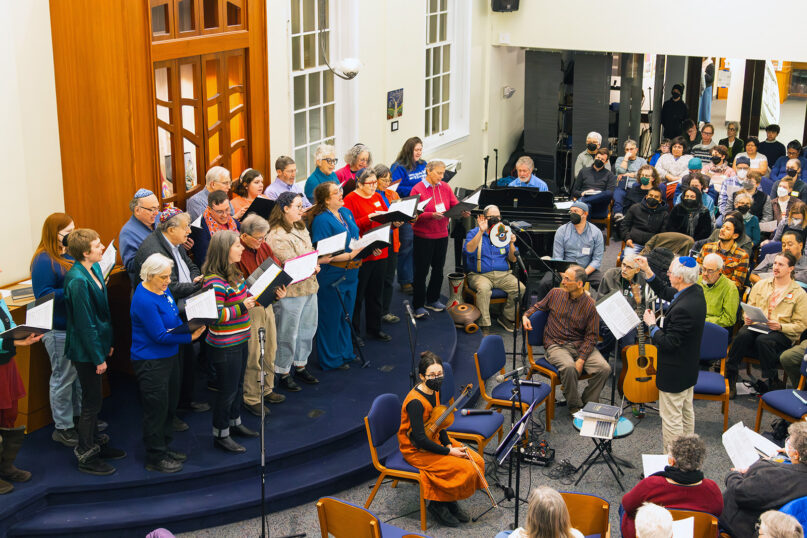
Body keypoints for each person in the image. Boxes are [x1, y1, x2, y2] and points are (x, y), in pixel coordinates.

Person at [130, 254, 206, 473]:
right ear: (149, 275)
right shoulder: (144, 299)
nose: (168, 281)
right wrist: (190, 337)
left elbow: (173, 318)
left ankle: (164, 447)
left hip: (169, 356)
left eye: (169, 276)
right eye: (163, 277)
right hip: (151, 361)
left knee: (169, 405)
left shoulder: (162, 290)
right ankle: (155, 457)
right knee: (156, 409)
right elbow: (160, 336)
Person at [133, 208, 208, 418]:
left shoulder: (175, 242)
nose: (189, 232)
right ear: (172, 229)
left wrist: (196, 279)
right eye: (186, 228)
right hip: (166, 312)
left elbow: (191, 265)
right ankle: (172, 413)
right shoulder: (153, 250)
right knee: (175, 366)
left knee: (187, 360)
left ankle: (184, 401)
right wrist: (196, 286)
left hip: (181, 306)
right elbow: (170, 286)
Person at [397, 352, 485, 528]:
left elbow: (438, 423)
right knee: (465, 468)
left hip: (434, 438)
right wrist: (449, 451)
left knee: (477, 461)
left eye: (440, 374)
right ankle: (438, 505)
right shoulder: (415, 403)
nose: (437, 378)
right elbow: (420, 440)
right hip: (416, 449)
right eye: (432, 375)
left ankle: (449, 498)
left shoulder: (435, 391)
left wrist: (447, 443)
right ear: (422, 376)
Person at [64, 229, 126, 475]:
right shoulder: (77, 280)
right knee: (90, 403)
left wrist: (107, 342)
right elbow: (85, 324)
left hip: (98, 343)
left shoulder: (96, 268)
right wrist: (97, 357)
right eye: (98, 245)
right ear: (85, 253)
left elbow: (103, 312)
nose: (103, 248)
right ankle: (86, 454)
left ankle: (95, 444)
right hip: (85, 350)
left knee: (95, 399)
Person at [635, 255, 706, 451]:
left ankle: (673, 460)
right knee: (686, 413)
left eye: (670, 272)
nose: (667, 275)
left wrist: (652, 326)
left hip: (674, 372)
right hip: (688, 368)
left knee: (672, 419)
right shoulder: (694, 291)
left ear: (680, 278)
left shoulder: (683, 309)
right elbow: (666, 291)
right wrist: (648, 271)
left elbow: (668, 343)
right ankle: (688, 455)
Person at [522, 265, 610, 415]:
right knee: (569, 367)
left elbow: (592, 336)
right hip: (556, 345)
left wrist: (581, 359)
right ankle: (575, 407)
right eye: (564, 278)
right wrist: (525, 316)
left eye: (567, 279)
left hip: (580, 344)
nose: (563, 282)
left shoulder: (590, 305)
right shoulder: (555, 293)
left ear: (579, 284)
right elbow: (538, 307)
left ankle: (588, 402)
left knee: (604, 369)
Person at [201, 231, 259, 453]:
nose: (242, 248)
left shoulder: (234, 272)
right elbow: (214, 316)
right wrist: (243, 306)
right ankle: (221, 434)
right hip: (225, 345)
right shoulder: (214, 281)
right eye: (237, 245)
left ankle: (235, 423)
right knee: (227, 391)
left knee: (237, 386)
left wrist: (269, 295)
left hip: (241, 338)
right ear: (225, 250)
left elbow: (247, 297)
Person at [30, 213, 82, 447]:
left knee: (77, 376)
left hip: (73, 325)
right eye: (67, 232)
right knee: (62, 378)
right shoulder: (43, 260)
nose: (72, 235)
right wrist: (74, 286)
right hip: (57, 328)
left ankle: (79, 418)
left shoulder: (68, 253)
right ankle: (63, 427)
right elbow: (43, 296)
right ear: (55, 233)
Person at [726, 252, 807, 396]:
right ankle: (730, 377)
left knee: (763, 340)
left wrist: (780, 326)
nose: (776, 267)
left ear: (791, 268)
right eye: (775, 263)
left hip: (782, 332)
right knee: (742, 334)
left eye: (781, 264)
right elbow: (749, 307)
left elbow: (801, 325)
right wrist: (747, 318)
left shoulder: (799, 293)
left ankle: (773, 380)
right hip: (758, 325)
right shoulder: (761, 285)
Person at [266, 192, 321, 391]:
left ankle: (300, 364)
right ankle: (283, 371)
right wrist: (311, 266)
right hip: (290, 291)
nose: (302, 209)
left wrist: (314, 264)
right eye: (298, 206)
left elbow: (310, 250)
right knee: (287, 333)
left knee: (308, 328)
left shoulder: (300, 226)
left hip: (309, 286)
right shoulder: (276, 234)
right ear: (285, 209)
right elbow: (289, 263)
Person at [620, 434, 722, 538]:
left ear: (671, 461)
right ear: (699, 462)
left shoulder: (651, 484)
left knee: (623, 508)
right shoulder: (711, 489)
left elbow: (628, 504)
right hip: (697, 534)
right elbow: (718, 512)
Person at [234, 215, 287, 414]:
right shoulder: (236, 251)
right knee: (254, 353)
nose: (262, 241)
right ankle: (252, 397)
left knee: (271, 348)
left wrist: (280, 290)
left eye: (264, 237)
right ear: (244, 236)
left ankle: (267, 389)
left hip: (267, 303)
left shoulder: (264, 246)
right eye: (258, 238)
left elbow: (277, 269)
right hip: (250, 308)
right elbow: (237, 286)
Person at [310, 182, 362, 370]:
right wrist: (348, 255)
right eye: (335, 192)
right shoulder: (322, 220)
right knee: (331, 317)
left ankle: (345, 352)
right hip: (332, 274)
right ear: (326, 199)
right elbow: (322, 253)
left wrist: (366, 246)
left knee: (346, 315)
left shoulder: (345, 212)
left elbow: (355, 236)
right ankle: (331, 359)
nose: (341, 194)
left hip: (352, 272)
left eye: (340, 190)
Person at [721, 422, 807, 537]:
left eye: (789, 443)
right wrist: (788, 455)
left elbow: (739, 492)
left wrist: (733, 474)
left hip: (745, 526)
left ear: (796, 454)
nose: (786, 444)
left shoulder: (774, 475)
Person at [410, 160, 468, 318]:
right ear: (428, 171)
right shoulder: (417, 189)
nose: (442, 177)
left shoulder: (445, 187)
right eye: (439, 173)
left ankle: (433, 299)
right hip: (423, 237)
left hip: (442, 235)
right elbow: (413, 215)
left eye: (443, 173)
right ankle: (418, 305)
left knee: (438, 269)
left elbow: (454, 204)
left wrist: (463, 211)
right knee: (421, 272)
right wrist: (430, 215)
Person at [0, 285, 43, 494]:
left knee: (10, 414)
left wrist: (22, 338)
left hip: (7, 363)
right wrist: (13, 341)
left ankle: (5, 467)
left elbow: (9, 325)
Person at [343, 169, 392, 341]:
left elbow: (386, 217)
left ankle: (374, 328)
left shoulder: (377, 196)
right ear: (359, 183)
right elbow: (349, 227)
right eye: (369, 183)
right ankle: (354, 333)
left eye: (374, 183)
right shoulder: (350, 199)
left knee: (376, 293)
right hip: (362, 253)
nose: (373, 186)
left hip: (380, 250)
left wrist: (395, 222)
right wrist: (368, 219)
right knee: (358, 295)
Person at [463, 205, 523, 334]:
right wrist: (481, 231)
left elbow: (513, 259)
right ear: (485, 218)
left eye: (498, 217)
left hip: (503, 274)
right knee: (483, 289)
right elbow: (468, 251)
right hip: (480, 275)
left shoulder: (504, 233)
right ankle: (484, 325)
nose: (496, 219)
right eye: (492, 217)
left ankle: (505, 317)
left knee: (520, 288)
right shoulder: (474, 232)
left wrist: (511, 243)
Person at [535, 201, 604, 299]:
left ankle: (595, 308)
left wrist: (582, 274)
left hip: (586, 269)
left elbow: (597, 260)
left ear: (585, 214)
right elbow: (558, 257)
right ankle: (542, 308)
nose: (572, 214)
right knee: (545, 283)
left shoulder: (596, 233)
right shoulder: (562, 231)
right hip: (564, 269)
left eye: (575, 211)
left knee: (604, 284)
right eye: (571, 211)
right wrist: (567, 276)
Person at [391, 136, 428, 295]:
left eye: (420, 149)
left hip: (422, 208)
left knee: (420, 245)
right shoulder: (398, 167)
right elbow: (394, 188)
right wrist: (416, 189)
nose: (419, 153)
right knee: (406, 245)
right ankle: (405, 280)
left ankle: (416, 277)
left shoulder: (423, 164)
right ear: (409, 150)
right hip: (405, 208)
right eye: (416, 150)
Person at [374, 164, 402, 324]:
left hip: (392, 239)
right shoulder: (371, 195)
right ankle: (374, 312)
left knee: (389, 278)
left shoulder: (393, 194)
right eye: (384, 180)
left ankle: (385, 311)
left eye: (389, 180)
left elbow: (400, 212)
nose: (387, 183)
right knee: (376, 279)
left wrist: (401, 219)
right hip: (377, 241)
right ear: (375, 179)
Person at [499, 486, 584, 538]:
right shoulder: (577, 535)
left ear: (531, 517)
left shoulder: (516, 535)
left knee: (502, 535)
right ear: (564, 514)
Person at [696, 215, 750, 289]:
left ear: (735, 235)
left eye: (727, 229)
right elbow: (697, 272)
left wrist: (715, 282)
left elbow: (737, 284)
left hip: (724, 291)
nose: (722, 230)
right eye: (722, 227)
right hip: (703, 287)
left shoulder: (742, 256)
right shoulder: (707, 248)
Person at [120, 189, 160, 281]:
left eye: (157, 208)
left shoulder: (160, 217)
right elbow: (130, 266)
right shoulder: (127, 232)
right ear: (137, 210)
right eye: (152, 209)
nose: (157, 213)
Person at [191, 190, 240, 264]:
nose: (225, 215)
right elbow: (204, 261)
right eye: (219, 212)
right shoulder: (200, 228)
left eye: (227, 209)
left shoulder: (232, 221)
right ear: (209, 209)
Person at [572, 148, 616, 218]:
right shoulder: (583, 171)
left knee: (609, 193)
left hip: (600, 204)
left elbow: (610, 193)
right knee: (587, 206)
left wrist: (596, 195)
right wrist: (583, 193)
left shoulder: (609, 175)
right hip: (586, 201)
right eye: (598, 158)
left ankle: (584, 200)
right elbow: (574, 191)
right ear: (595, 157)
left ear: (606, 162)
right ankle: (585, 202)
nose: (599, 160)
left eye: (602, 159)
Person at [699, 253, 739, 330]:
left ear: (719, 271)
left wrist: (703, 321)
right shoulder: (697, 280)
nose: (705, 274)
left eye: (710, 271)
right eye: (703, 269)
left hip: (712, 328)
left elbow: (729, 319)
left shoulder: (730, 288)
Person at [612, 139, 648, 220]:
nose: (629, 151)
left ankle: (633, 216)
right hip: (623, 184)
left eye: (631, 149)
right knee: (618, 191)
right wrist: (626, 159)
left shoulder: (642, 161)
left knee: (635, 189)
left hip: (636, 184)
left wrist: (631, 174)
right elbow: (621, 171)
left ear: (636, 150)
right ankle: (618, 213)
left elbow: (645, 173)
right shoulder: (620, 159)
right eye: (627, 149)